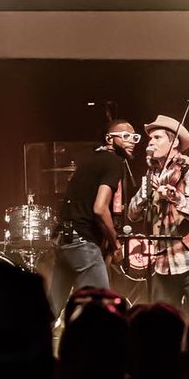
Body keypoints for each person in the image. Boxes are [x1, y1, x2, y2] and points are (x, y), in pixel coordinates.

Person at [126, 114, 189, 320]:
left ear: (174, 142)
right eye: (150, 139)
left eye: (157, 137)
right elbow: (132, 214)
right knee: (163, 325)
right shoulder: (152, 174)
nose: (150, 142)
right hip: (163, 261)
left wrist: (175, 197)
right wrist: (146, 191)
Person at [49, 119, 138, 314]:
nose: (131, 141)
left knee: (52, 308)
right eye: (125, 137)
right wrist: (115, 244)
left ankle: (32, 341)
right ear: (109, 139)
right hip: (81, 241)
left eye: (134, 138)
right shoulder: (114, 161)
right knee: (101, 308)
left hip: (64, 238)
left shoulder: (89, 159)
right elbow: (100, 208)